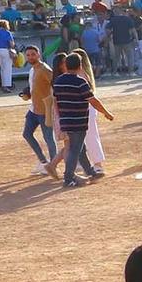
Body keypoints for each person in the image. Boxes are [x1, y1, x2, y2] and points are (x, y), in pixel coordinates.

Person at [53, 50, 113, 188]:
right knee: (76, 149)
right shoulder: (80, 82)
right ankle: (68, 178)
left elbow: (55, 100)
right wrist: (106, 113)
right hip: (79, 120)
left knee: (80, 148)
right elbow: (93, 100)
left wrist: (60, 117)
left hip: (66, 120)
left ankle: (90, 172)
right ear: (80, 66)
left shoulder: (58, 81)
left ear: (66, 66)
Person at [20, 44, 57, 175]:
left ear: (39, 54)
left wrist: (53, 105)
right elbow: (34, 87)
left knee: (48, 138)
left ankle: (53, 164)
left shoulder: (45, 69)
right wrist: (27, 94)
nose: (30, 57)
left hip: (45, 110)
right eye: (28, 55)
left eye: (33, 54)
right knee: (27, 134)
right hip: (33, 109)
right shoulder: (32, 70)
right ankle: (43, 162)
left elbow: (55, 85)